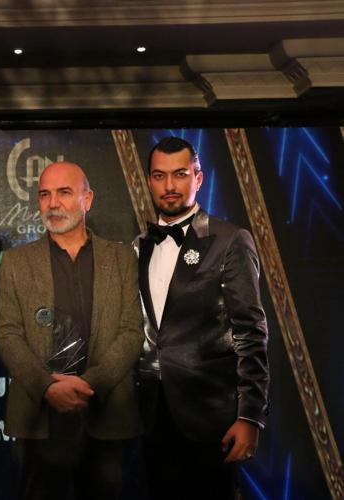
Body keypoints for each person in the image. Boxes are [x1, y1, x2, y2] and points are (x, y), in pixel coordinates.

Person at [0, 162, 143, 500]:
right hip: (39, 418)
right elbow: (6, 334)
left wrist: (90, 384)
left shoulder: (121, 258)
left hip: (107, 414)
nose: (53, 203)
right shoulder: (16, 262)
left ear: (87, 199)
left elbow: (132, 332)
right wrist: (47, 386)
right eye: (44, 195)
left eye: (64, 192)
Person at [135, 136, 269, 499]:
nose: (169, 185)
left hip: (211, 417)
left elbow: (251, 332)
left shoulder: (230, 240)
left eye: (180, 174)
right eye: (159, 176)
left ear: (199, 177)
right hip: (149, 417)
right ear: (149, 181)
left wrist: (250, 416)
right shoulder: (139, 245)